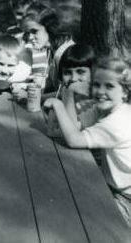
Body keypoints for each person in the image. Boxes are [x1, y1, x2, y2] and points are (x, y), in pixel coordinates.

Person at [43, 57, 131, 226]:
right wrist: (68, 95)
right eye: (97, 84)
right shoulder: (107, 109)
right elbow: (64, 129)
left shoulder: (117, 121)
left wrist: (58, 104)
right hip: (115, 186)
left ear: (125, 91)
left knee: (79, 216)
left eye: (109, 86)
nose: (100, 91)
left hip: (126, 197)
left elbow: (74, 140)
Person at [20, 8, 74, 92]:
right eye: (28, 33)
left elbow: (67, 93)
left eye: (34, 31)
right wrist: (26, 86)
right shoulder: (51, 49)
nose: (30, 37)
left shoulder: (65, 53)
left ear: (49, 28)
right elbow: (53, 84)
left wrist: (31, 97)